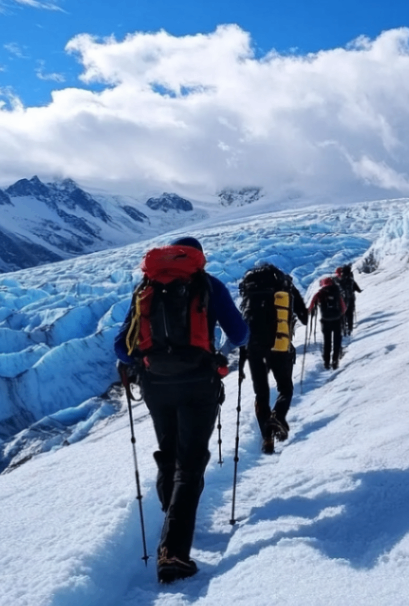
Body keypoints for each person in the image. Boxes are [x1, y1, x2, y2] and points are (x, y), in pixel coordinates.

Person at [114, 236, 248, 585]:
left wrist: (149, 362)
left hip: (156, 385)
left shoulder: (147, 287)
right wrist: (221, 352)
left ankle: (173, 515)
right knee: (190, 463)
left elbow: (122, 347)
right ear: (198, 257)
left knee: (170, 453)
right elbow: (240, 332)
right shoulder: (208, 284)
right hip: (198, 383)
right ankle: (173, 552)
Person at [239, 262, 308, 455]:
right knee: (285, 388)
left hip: (254, 347)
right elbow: (302, 313)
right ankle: (277, 415)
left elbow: (242, 318)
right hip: (280, 343)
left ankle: (267, 438)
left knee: (261, 394)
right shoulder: (284, 286)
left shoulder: (249, 290)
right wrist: (303, 320)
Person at [309, 274, 347, 370]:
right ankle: (335, 361)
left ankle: (326, 362)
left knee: (327, 342)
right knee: (337, 341)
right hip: (337, 320)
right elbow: (343, 308)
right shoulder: (337, 292)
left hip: (325, 321)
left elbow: (310, 307)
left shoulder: (320, 293)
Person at [334, 264, 362, 337]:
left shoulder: (339, 280)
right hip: (351, 298)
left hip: (343, 300)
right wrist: (359, 290)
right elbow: (355, 286)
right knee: (350, 313)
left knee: (343, 314)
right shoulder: (350, 279)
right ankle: (350, 328)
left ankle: (343, 328)